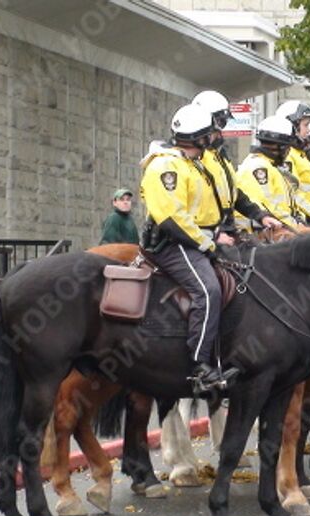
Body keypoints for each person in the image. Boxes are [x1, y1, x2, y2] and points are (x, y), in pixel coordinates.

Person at [139, 103, 232, 397]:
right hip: (173, 243)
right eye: (209, 135)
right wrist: (209, 244)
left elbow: (202, 210)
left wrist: (217, 234)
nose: (214, 138)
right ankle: (198, 366)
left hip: (197, 239)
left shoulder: (191, 164)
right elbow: (172, 218)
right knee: (208, 291)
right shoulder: (166, 166)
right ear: (199, 139)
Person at [191, 90, 282, 237]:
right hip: (205, 234)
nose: (221, 132)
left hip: (225, 230)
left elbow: (234, 193)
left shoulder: (218, 155)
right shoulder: (195, 158)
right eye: (219, 124)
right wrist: (214, 234)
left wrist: (261, 216)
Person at [236, 115, 303, 229]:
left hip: (276, 229)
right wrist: (296, 227)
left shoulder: (270, 166)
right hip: (259, 233)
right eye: (288, 147)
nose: (289, 151)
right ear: (281, 147)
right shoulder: (259, 167)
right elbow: (268, 207)